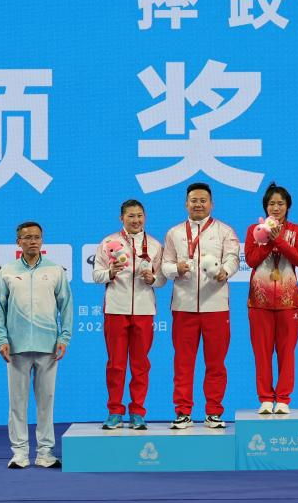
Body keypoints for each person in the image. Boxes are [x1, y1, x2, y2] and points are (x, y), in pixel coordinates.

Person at [0, 221, 72, 469]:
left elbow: (66, 306)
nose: (32, 241)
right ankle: (20, 453)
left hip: (48, 346)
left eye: (36, 237)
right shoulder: (7, 271)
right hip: (16, 347)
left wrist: (64, 337)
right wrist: (1, 339)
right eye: (27, 237)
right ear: (18, 242)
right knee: (17, 403)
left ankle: (45, 452)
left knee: (46, 402)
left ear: (42, 240)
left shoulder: (55, 270)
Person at [161, 182, 240, 430]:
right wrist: (176, 269)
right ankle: (182, 412)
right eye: (193, 200)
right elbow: (165, 265)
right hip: (183, 306)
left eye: (203, 200)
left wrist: (225, 271)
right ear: (186, 204)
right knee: (183, 363)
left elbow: (233, 258)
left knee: (216, 363)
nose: (198, 204)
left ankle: (214, 412)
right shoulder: (174, 233)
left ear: (211, 204)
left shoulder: (225, 231)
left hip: (215, 306)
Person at [92, 199, 165, 431]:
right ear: (121, 218)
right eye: (131, 216)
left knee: (140, 364)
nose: (136, 220)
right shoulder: (108, 243)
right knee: (116, 364)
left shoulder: (154, 245)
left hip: (144, 310)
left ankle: (137, 412)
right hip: (116, 309)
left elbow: (162, 279)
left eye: (139, 215)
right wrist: (110, 272)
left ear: (145, 217)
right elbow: (96, 275)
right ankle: (115, 411)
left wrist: (153, 279)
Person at [244, 183, 298, 415]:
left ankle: (283, 399)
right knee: (261, 353)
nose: (276, 208)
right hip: (259, 300)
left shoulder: (297, 230)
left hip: (288, 300)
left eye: (281, 203)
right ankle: (264, 399)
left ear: (288, 206)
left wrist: (278, 239)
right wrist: (267, 240)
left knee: (287, 352)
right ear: (265, 207)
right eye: (272, 204)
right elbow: (251, 260)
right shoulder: (254, 230)